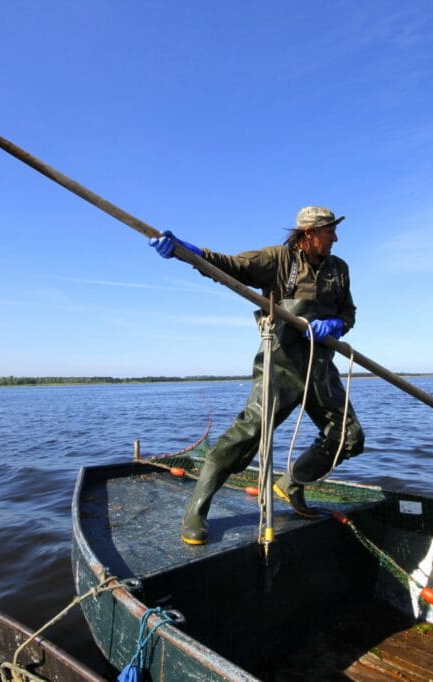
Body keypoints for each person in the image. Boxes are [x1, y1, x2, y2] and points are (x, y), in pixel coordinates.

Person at [149, 206, 365, 545]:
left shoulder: (340, 269)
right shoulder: (280, 260)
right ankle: (196, 509)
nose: (335, 238)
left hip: (320, 364)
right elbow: (231, 266)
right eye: (329, 232)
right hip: (281, 363)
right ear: (310, 233)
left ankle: (291, 484)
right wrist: (186, 252)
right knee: (244, 435)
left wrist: (337, 324)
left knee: (348, 437)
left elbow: (348, 313)